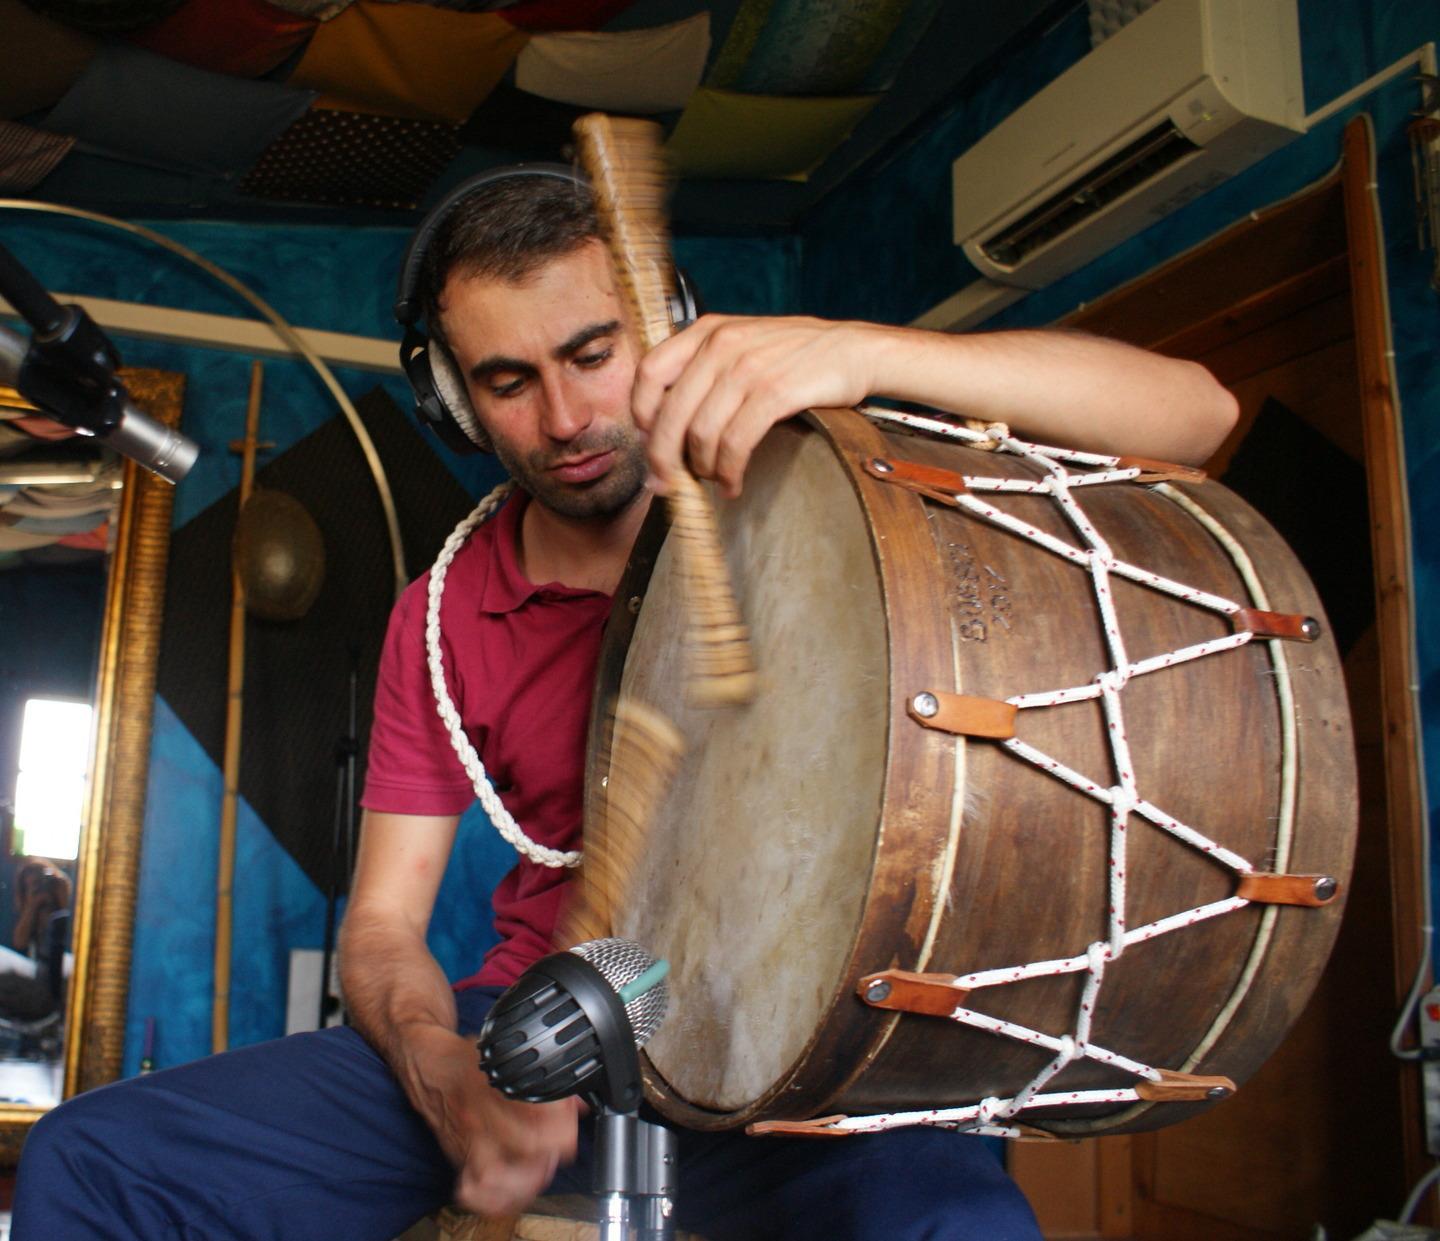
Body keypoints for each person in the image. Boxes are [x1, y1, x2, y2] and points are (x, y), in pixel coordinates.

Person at [11, 171, 1236, 1240]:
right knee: (95, 1160)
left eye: (594, 354)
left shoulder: (823, 474)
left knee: (948, 1221)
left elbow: (1201, 413)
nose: (565, 419)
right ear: (454, 398)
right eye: (508, 379)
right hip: (541, 1030)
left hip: (803, 1044)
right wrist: (443, 1073)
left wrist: (860, 352)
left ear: (668, 333)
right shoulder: (436, 621)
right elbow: (383, 926)